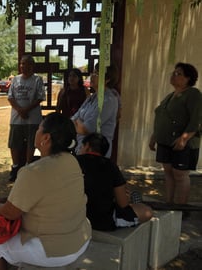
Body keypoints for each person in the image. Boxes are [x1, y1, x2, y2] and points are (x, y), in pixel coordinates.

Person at [0, 112, 91, 269]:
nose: (36, 131)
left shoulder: (33, 172)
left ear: (46, 138)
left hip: (52, 250)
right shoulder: (72, 161)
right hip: (80, 239)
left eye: (39, 128)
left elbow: (10, 212)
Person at [149, 62, 202, 205]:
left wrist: (184, 138)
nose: (173, 75)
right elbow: (161, 116)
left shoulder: (193, 94)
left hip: (183, 142)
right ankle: (169, 203)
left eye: (178, 73)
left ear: (188, 78)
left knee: (180, 175)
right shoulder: (170, 96)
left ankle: (181, 208)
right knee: (168, 173)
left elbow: (196, 119)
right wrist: (154, 136)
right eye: (174, 72)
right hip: (165, 141)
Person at [77, 133, 153, 231]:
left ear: (87, 146)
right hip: (102, 221)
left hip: (75, 217)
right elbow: (123, 203)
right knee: (146, 211)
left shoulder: (74, 161)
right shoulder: (111, 166)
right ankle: (135, 202)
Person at [7, 55, 45, 181]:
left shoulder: (37, 80)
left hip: (32, 118)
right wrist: (19, 110)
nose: (23, 66)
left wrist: (26, 109)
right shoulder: (15, 80)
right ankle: (15, 167)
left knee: (31, 142)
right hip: (16, 118)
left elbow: (39, 97)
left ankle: (28, 166)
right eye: (22, 63)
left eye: (27, 64)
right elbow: (10, 97)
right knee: (14, 143)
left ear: (32, 66)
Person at [71, 63, 119, 158]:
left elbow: (86, 129)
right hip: (81, 148)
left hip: (96, 152)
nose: (92, 76)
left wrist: (78, 122)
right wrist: (78, 122)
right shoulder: (92, 97)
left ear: (107, 79)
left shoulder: (108, 100)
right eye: (93, 72)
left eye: (97, 74)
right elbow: (73, 118)